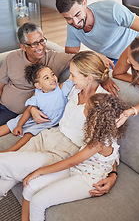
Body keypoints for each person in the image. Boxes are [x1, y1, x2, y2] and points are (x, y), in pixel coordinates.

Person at [0, 51, 117, 203]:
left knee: (5, 162)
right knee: (9, 172)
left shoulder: (103, 102)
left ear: (88, 78)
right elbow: (46, 96)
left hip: (65, 151)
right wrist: (33, 109)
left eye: (73, 75)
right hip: (48, 136)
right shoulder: (73, 89)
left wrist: (113, 173)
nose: (69, 78)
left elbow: (110, 141)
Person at [22, 93, 127, 221]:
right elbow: (112, 156)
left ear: (94, 117)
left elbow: (70, 162)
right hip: (78, 168)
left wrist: (38, 171)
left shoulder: (99, 142)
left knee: (38, 201)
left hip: (87, 180)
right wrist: (113, 173)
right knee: (30, 187)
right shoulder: (105, 128)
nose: (83, 107)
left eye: (86, 107)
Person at [56, 0, 139, 95]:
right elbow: (71, 54)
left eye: (77, 14)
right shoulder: (72, 27)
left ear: (84, 3)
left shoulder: (112, 9)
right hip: (112, 60)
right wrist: (95, 56)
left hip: (135, 50)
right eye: (68, 18)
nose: (75, 22)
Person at [0, 22, 73, 125]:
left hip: (18, 114)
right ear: (23, 46)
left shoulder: (55, 58)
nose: (40, 47)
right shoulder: (12, 57)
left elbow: (79, 58)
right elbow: (1, 84)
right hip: (2, 104)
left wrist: (101, 58)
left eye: (42, 41)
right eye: (34, 44)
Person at [0, 63, 73, 152]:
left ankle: (9, 151)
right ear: (38, 85)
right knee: (12, 123)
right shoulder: (38, 94)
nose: (52, 78)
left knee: (31, 132)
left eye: (52, 74)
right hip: (33, 118)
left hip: (48, 122)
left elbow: (72, 79)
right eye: (46, 78)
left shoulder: (61, 88)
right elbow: (28, 110)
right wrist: (19, 125)